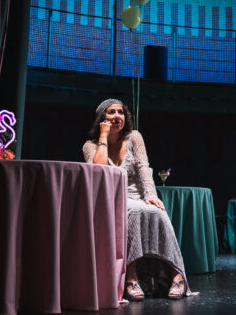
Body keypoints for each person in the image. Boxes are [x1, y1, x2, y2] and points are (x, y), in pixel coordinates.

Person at [83, 99, 193, 300]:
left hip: (137, 194)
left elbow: (143, 167)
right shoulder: (90, 146)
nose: (117, 116)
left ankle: (176, 273)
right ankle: (130, 276)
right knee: (131, 213)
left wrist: (150, 195)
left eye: (121, 112)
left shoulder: (134, 137)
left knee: (158, 212)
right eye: (111, 112)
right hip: (109, 198)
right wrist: (104, 136)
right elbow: (98, 171)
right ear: (101, 119)